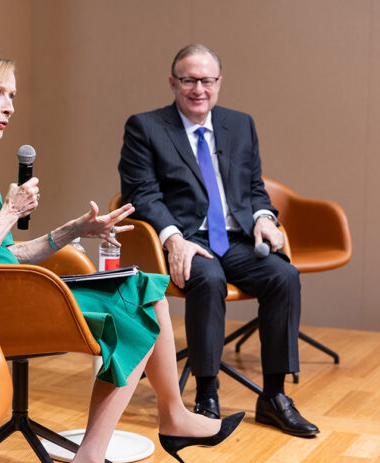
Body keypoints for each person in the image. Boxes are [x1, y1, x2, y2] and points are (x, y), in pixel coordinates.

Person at [0, 49, 243, 463]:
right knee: (133, 316)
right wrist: (10, 212)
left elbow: (5, 253)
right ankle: (89, 462)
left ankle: (172, 416)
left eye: (13, 95)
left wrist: (74, 230)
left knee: (148, 287)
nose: (10, 107)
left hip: (8, 287)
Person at [118, 44, 319, 438]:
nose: (198, 89)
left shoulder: (240, 124)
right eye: (189, 80)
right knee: (207, 280)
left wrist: (263, 217)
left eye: (207, 80)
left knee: (285, 277)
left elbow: (254, 187)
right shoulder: (145, 127)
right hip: (187, 237)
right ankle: (206, 394)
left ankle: (274, 397)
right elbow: (140, 194)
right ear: (173, 82)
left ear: (219, 83)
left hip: (236, 238)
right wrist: (173, 238)